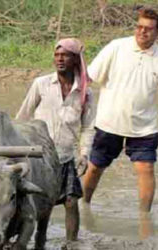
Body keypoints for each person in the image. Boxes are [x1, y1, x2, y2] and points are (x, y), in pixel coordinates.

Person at [82, 7, 158, 214]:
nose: (142, 32)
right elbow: (89, 78)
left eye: (148, 29)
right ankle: (82, 207)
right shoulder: (116, 47)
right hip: (109, 122)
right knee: (95, 167)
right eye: (139, 27)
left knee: (146, 169)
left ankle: (144, 218)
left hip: (144, 126)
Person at [16, 38, 95, 241]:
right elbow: (23, 116)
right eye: (57, 55)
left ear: (76, 60)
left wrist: (84, 154)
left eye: (65, 55)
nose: (60, 59)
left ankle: (71, 243)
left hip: (65, 155)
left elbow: (87, 127)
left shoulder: (85, 93)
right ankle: (38, 237)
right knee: (35, 199)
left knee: (71, 201)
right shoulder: (41, 84)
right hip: (38, 155)